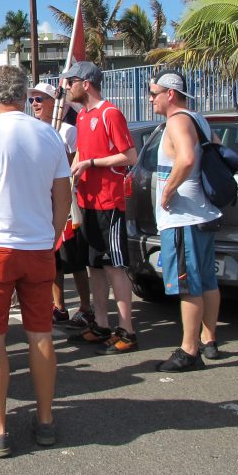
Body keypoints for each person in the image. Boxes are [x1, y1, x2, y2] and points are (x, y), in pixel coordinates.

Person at [0, 67, 71, 458]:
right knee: (40, 334)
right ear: (23, 95)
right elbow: (63, 196)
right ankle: (47, 419)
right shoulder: (49, 134)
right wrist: (50, 236)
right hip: (36, 247)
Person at [63, 62, 139, 354]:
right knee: (94, 265)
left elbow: (129, 156)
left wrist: (90, 164)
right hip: (87, 201)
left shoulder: (110, 113)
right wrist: (74, 169)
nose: (68, 87)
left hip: (109, 202)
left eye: (72, 82)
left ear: (87, 82)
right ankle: (101, 325)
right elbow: (82, 151)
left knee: (114, 266)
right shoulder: (82, 116)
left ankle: (127, 330)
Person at [149, 69, 222, 371]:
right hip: (201, 214)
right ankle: (209, 339)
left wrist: (168, 190)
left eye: (154, 93)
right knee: (206, 281)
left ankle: (189, 351)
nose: (150, 99)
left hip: (183, 218)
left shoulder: (177, 121)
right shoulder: (198, 119)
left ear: (170, 94)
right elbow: (215, 148)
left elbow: (188, 159)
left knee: (188, 285)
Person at [28, 82, 94, 329]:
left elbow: (74, 162)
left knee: (74, 259)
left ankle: (86, 307)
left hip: (65, 202)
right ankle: (59, 306)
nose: (35, 103)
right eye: (32, 99)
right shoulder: (32, 129)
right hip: (42, 202)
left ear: (54, 103)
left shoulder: (67, 130)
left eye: (40, 99)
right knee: (52, 258)